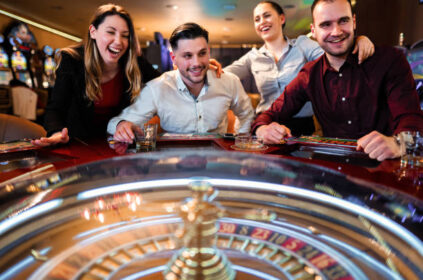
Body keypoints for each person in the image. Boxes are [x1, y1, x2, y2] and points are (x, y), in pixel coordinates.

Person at [252, 0, 423, 161]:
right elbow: (269, 114)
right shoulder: (309, 74)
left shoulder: (389, 60)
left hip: (383, 171)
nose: (336, 31)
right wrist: (262, 129)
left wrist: (398, 143)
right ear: (314, 30)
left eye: (343, 21)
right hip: (332, 175)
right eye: (326, 24)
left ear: (354, 22)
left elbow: (411, 119)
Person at [214, 0, 374, 136]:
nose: (262, 21)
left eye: (267, 15)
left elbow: (333, 54)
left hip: (300, 126)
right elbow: (223, 74)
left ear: (282, 18)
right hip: (266, 125)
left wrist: (358, 40)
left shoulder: (302, 44)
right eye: (257, 19)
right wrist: (208, 65)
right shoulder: (252, 57)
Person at [32, 4, 160, 146]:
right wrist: (56, 133)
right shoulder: (72, 60)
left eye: (125, 36)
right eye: (110, 32)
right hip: (79, 144)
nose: (118, 42)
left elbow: (165, 87)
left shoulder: (135, 62)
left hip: (119, 145)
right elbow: (55, 109)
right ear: (93, 32)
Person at [108, 23, 254, 142]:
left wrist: (239, 141)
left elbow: (246, 114)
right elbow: (115, 123)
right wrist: (122, 126)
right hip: (173, 165)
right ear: (173, 58)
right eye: (187, 56)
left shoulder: (229, 81)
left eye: (202, 53)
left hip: (216, 164)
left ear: (209, 52)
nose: (196, 63)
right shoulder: (157, 88)